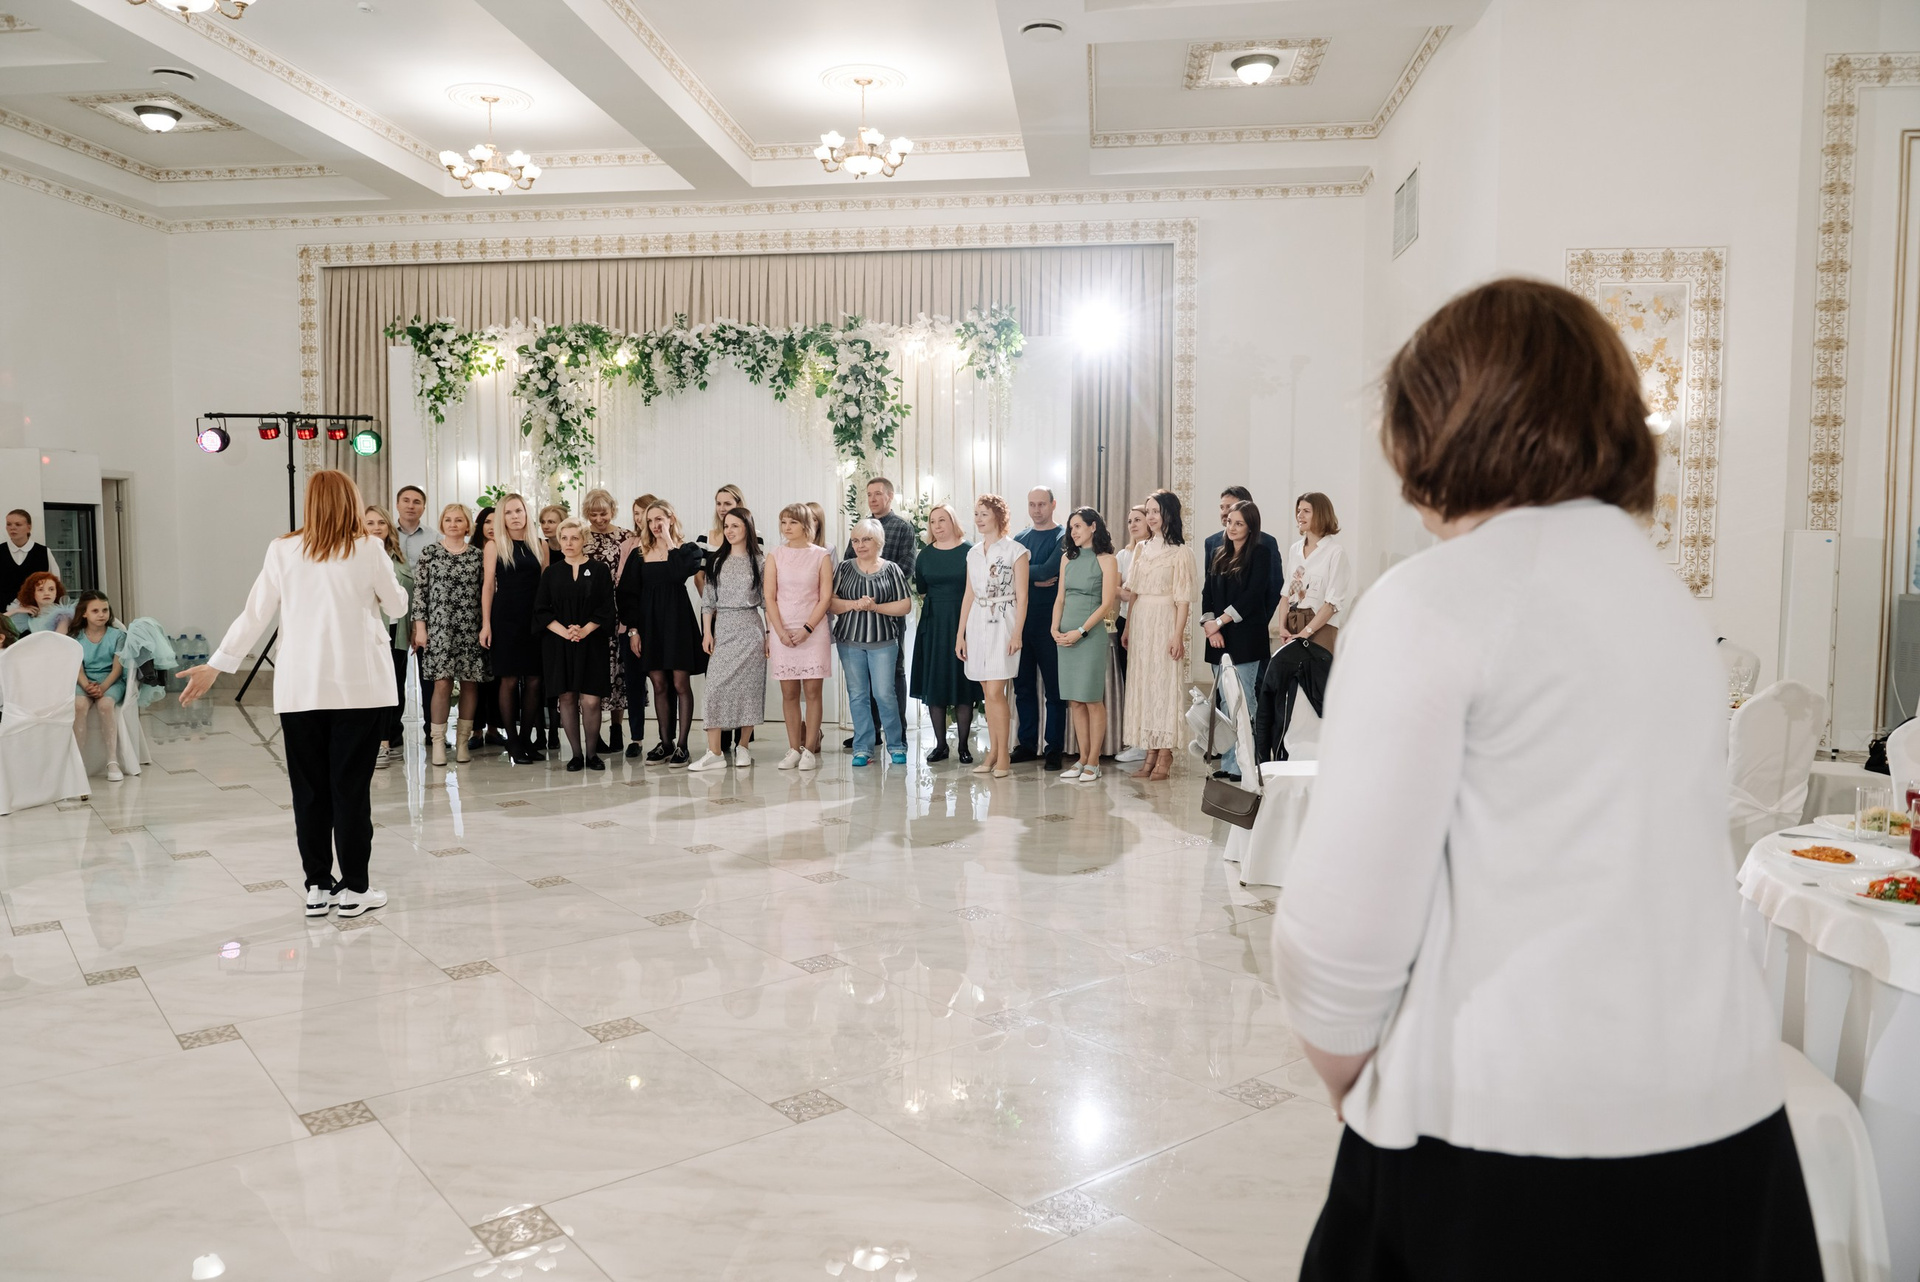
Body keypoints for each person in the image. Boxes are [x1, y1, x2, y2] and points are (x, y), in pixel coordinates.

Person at [1276, 278, 1816, 1278]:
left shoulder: (1434, 599)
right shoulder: (1665, 601)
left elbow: (1339, 929)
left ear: (1436, 427)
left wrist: (1353, 1080)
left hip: (1507, 1137)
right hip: (1728, 1126)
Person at [180, 469, 406, 920]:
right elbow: (397, 606)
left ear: (310, 503)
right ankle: (355, 889)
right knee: (350, 791)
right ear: (351, 501)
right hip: (359, 689)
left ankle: (317, 887)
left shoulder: (283, 549)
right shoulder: (369, 547)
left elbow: (255, 614)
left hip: (300, 689)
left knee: (309, 791)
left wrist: (217, 664)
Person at [1255, 491, 1353, 764]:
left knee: (1303, 690)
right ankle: (1278, 753)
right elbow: (1286, 594)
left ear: (1320, 514)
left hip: (1320, 632)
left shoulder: (1335, 552)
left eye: (1306, 510)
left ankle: (1293, 754)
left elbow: (1332, 603)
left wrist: (1306, 633)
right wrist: (1282, 627)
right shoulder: (1295, 550)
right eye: (1298, 510)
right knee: (1286, 692)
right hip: (1295, 630)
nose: (1300, 515)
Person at [623, 501, 707, 767]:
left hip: (677, 622)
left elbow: (680, 572)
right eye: (650, 520)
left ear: (671, 518)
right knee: (658, 683)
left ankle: (683, 746)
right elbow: (627, 594)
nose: (654, 525)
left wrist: (669, 540)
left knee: (681, 683)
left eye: (659, 519)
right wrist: (633, 630)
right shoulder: (639, 553)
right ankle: (665, 743)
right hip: (650, 624)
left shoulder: (686, 549)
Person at [1120, 489, 1195, 782]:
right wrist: (1128, 627)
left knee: (1163, 684)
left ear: (1168, 514)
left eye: (1155, 511)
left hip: (1165, 619)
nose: (1150, 517)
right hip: (1141, 621)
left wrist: (1178, 636)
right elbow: (1134, 593)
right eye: (1148, 511)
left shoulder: (1181, 552)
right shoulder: (1141, 549)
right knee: (1144, 685)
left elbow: (1183, 600)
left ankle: (1165, 752)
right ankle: (1149, 751)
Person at [1202, 500, 1276, 782]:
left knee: (1244, 701)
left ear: (1250, 527)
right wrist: (1211, 627)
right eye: (1229, 522)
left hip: (1246, 638)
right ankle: (1230, 762)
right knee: (1224, 701)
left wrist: (1220, 622)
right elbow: (1207, 593)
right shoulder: (1218, 552)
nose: (1232, 528)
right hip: (1218, 639)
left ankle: (1249, 762)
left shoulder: (1260, 553)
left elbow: (1252, 597)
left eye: (1239, 524)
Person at [411, 503, 489, 768]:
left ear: (467, 525)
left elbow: (487, 592)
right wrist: (420, 628)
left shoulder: (477, 555)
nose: (453, 524)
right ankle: (437, 741)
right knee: (442, 683)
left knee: (470, 683)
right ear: (442, 523)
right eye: (448, 519)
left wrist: (486, 625)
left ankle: (463, 741)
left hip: (471, 628)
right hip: (440, 629)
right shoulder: (430, 552)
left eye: (459, 520)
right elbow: (420, 593)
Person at [841, 479, 917, 750]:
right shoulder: (862, 527)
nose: (873, 499)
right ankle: (870, 733)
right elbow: (849, 563)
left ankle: (898, 735)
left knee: (893, 675)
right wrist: (860, 596)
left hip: (889, 613)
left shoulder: (903, 527)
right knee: (863, 679)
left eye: (878, 494)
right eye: (869, 494)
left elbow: (907, 566)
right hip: (858, 615)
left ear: (890, 496)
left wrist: (878, 590)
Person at [831, 518, 913, 767]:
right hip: (849, 642)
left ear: (878, 542)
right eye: (855, 540)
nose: (860, 545)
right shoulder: (844, 568)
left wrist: (875, 607)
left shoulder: (892, 569)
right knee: (858, 695)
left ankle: (896, 745)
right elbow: (831, 603)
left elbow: (905, 605)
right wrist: (854, 604)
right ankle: (862, 748)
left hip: (884, 642)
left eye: (866, 539)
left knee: (884, 694)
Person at [534, 517, 614, 772]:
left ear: (584, 540)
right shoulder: (551, 572)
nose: (568, 543)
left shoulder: (599, 570)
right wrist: (565, 632)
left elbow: (607, 608)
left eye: (574, 538)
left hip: (592, 642)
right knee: (567, 697)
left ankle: (592, 754)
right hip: (559, 643)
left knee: (590, 701)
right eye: (564, 538)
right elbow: (541, 609)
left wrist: (585, 629)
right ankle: (576, 755)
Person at [692, 506, 768, 772]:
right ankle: (714, 752)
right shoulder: (716, 561)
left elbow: (767, 602)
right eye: (726, 526)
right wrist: (707, 632)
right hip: (723, 628)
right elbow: (708, 600)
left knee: (749, 690)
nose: (729, 531)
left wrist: (769, 634)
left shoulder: (760, 562)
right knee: (714, 689)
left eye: (735, 525)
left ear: (747, 527)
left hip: (750, 629)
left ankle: (743, 746)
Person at [957, 494, 1027, 779]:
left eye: (984, 513)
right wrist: (960, 634)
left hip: (1004, 622)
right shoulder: (973, 553)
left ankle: (1003, 756)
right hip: (977, 622)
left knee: (997, 692)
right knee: (987, 694)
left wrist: (1017, 633)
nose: (978, 519)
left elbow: (1023, 597)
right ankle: (994, 752)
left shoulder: (1016, 551)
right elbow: (968, 594)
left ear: (998, 516)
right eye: (976, 514)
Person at [1051, 508, 1119, 782]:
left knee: (1091, 699)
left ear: (1093, 527)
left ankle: (1094, 761)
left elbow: (1107, 603)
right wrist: (1054, 628)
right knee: (1075, 700)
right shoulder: (1067, 558)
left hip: (1089, 636)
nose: (1073, 532)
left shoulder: (1107, 560)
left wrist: (1080, 631)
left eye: (1078, 526)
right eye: (1071, 528)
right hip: (1065, 636)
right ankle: (1081, 758)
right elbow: (1060, 598)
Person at [765, 502, 833, 770]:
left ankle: (809, 750)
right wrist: (780, 631)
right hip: (782, 631)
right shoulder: (775, 554)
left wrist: (807, 629)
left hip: (813, 631)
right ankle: (793, 748)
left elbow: (825, 597)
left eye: (792, 522)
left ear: (806, 524)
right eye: (783, 522)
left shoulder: (821, 555)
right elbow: (769, 597)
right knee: (789, 692)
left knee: (813, 692)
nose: (787, 527)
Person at [481, 493, 548, 765]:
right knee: (508, 680)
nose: (515, 516)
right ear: (502, 517)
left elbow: (545, 586)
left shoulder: (540, 545)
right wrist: (486, 624)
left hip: (534, 619)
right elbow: (488, 586)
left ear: (526, 513)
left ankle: (526, 739)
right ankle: (512, 741)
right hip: (505, 618)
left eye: (518, 510)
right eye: (508, 512)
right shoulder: (494, 545)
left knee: (534, 680)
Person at [911, 503, 980, 765]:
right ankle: (940, 746)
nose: (937, 526)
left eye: (942, 520)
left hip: (964, 622)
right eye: (933, 521)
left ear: (953, 522)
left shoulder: (970, 551)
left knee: (963, 684)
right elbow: (922, 590)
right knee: (936, 682)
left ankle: (963, 746)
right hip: (934, 624)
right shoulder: (925, 555)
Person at [1011, 487, 1068, 770]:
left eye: (1042, 504)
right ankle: (1026, 744)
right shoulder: (1019, 539)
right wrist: (1034, 577)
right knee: (1022, 687)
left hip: (1051, 623)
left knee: (1054, 690)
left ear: (1053, 504)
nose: (1036, 510)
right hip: (1021, 622)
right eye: (1032, 504)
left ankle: (1054, 748)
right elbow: (1009, 573)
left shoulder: (1063, 537)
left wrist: (1025, 574)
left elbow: (1048, 570)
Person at [579, 489, 631, 754]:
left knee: (619, 672)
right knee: (594, 673)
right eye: (593, 514)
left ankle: (617, 729)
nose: (599, 519)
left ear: (613, 510)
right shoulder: (581, 537)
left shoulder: (626, 537)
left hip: (619, 612)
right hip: (590, 615)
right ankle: (594, 732)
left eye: (604, 513)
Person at [361, 506, 413, 770]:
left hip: (398, 632)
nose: (376, 527)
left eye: (381, 522)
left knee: (396, 688)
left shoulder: (399, 558)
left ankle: (392, 737)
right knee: (377, 688)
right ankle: (379, 743)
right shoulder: (358, 556)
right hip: (371, 633)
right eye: (370, 522)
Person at [612, 493, 658, 755]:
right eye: (636, 514)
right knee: (634, 683)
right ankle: (636, 738)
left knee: (663, 684)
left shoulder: (667, 543)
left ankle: (667, 738)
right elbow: (623, 586)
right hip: (629, 625)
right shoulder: (628, 544)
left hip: (658, 625)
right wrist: (631, 628)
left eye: (645, 513)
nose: (640, 518)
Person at [70, 589, 126, 782]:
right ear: (84, 613)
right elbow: (78, 669)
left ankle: (112, 761)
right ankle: (77, 762)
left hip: (111, 681)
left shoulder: (118, 636)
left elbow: (117, 669)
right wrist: (87, 686)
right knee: (78, 705)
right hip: (84, 680)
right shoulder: (76, 637)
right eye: (95, 611)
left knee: (105, 705)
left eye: (105, 610)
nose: (101, 614)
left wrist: (102, 688)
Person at [1109, 504, 1150, 764]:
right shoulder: (1124, 554)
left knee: (1145, 681)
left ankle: (1147, 741)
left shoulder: (1154, 552)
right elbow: (1115, 588)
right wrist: (1129, 593)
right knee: (1130, 681)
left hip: (1149, 619)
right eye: (1130, 521)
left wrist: (1131, 591)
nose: (1133, 525)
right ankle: (1134, 740)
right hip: (1126, 619)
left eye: (1138, 520)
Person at [1202, 486, 1285, 606]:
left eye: (1229, 507)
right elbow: (1210, 588)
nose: (1224, 512)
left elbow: (1274, 587)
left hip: (1252, 615)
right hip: (1219, 616)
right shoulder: (1211, 542)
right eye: (1222, 507)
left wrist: (1260, 615)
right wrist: (1212, 616)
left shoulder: (1266, 543)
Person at [467, 506, 504, 754]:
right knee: (475, 677)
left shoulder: (507, 549)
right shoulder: (470, 552)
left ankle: (494, 728)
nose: (491, 527)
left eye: (495, 521)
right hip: (471, 619)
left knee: (497, 676)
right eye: (487, 522)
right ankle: (476, 730)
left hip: (498, 618)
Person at [1, 508, 51, 619]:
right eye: (9, 524)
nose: (12, 528)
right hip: (3, 617)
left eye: (18, 524)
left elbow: (54, 583)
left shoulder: (43, 552)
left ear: (29, 527)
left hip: (35, 615)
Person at [8, 571, 71, 636]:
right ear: (32, 593)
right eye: (40, 590)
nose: (47, 593)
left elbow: (57, 639)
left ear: (56, 593)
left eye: (51, 589)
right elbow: (3, 624)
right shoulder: (29, 619)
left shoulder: (63, 616)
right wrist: (16, 611)